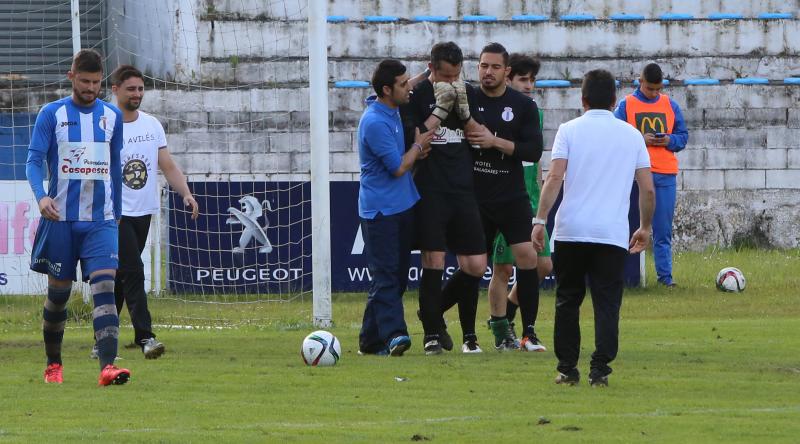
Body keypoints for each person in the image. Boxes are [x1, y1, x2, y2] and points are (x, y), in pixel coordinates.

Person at [532, 69, 655, 387]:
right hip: (611, 234)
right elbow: (647, 188)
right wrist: (644, 226)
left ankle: (567, 368)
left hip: (571, 230)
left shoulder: (569, 130)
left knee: (567, 300)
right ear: (615, 101)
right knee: (607, 302)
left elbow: (555, 177)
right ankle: (600, 368)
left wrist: (540, 219)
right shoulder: (632, 135)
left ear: (582, 99)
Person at [26, 49, 131, 385]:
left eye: (96, 83)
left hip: (101, 220)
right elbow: (33, 161)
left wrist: (116, 213)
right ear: (71, 77)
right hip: (61, 220)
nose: (90, 88)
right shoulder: (51, 114)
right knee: (59, 295)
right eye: (84, 81)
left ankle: (107, 367)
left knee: (104, 284)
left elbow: (114, 166)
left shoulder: (112, 117)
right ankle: (53, 364)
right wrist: (41, 196)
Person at [89, 64, 199, 360]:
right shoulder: (103, 123)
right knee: (135, 272)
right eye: (131, 89)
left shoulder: (151, 124)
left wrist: (186, 193)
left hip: (142, 212)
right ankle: (146, 338)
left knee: (121, 279)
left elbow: (168, 165)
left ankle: (102, 340)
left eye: (140, 89)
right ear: (115, 90)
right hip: (113, 213)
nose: (137, 94)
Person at [442, 43, 544, 352]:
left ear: (506, 72)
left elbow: (533, 151)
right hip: (474, 196)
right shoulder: (467, 99)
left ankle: (528, 333)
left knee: (530, 260)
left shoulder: (524, 106)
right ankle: (469, 338)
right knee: (473, 266)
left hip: (511, 195)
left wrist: (494, 141)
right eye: (483, 66)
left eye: (495, 67)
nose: (488, 72)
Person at [401, 42, 487, 355]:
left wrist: (463, 113)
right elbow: (416, 139)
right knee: (433, 260)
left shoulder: (469, 92)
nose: (451, 82)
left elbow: (478, 137)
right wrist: (439, 111)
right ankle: (432, 334)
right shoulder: (418, 95)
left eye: (456, 75)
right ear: (432, 69)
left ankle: (431, 311)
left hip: (463, 188)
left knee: (476, 265)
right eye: (445, 76)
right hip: (430, 189)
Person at [357, 59, 433, 356]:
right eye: (402, 84)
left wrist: (428, 73)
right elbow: (399, 168)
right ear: (387, 90)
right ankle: (395, 336)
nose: (409, 88)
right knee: (386, 276)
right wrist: (418, 145)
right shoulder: (374, 122)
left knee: (395, 278)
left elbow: (408, 85)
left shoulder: (390, 103)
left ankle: (369, 340)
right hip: (381, 212)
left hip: (401, 206)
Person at [478, 50, 551, 351]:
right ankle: (502, 328)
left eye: (533, 80)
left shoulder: (532, 111)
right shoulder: (497, 109)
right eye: (523, 79)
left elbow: (534, 158)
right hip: (500, 196)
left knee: (543, 265)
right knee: (503, 269)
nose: (529, 85)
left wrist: (541, 191)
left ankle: (508, 314)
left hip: (528, 201)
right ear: (508, 78)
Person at [614, 63, 688, 287]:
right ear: (640, 81)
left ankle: (665, 279)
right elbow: (614, 136)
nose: (654, 93)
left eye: (658, 89)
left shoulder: (670, 105)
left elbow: (683, 137)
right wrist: (640, 139)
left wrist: (669, 140)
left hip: (665, 174)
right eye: (650, 89)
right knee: (623, 226)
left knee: (663, 230)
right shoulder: (626, 105)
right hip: (635, 175)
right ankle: (622, 277)